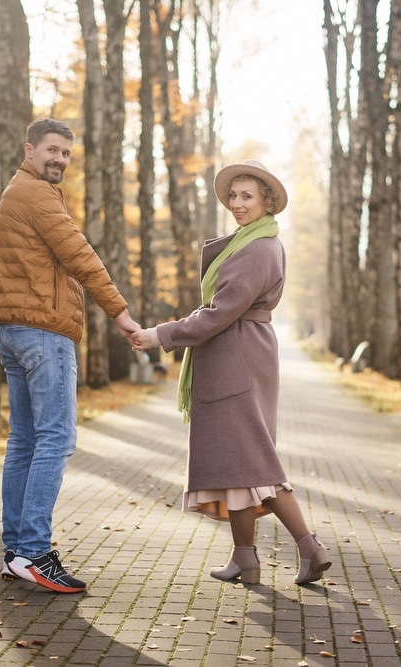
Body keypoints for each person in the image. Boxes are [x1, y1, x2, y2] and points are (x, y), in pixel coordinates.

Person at [130, 160, 332, 586]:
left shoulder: (258, 248)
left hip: (237, 359)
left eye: (247, 197)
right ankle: (245, 558)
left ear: (267, 202)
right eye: (233, 196)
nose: (237, 204)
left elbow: (219, 313)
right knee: (239, 463)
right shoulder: (251, 241)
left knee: (255, 460)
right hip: (238, 356)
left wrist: (159, 335)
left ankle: (310, 548)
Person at [0, 118, 139, 593]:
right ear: (29, 149)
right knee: (56, 437)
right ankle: (34, 552)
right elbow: (80, 255)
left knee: (25, 440)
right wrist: (120, 313)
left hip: (13, 329)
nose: (60, 159)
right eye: (52, 150)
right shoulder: (36, 194)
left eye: (66, 153)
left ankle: (16, 553)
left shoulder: (18, 191)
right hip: (42, 332)